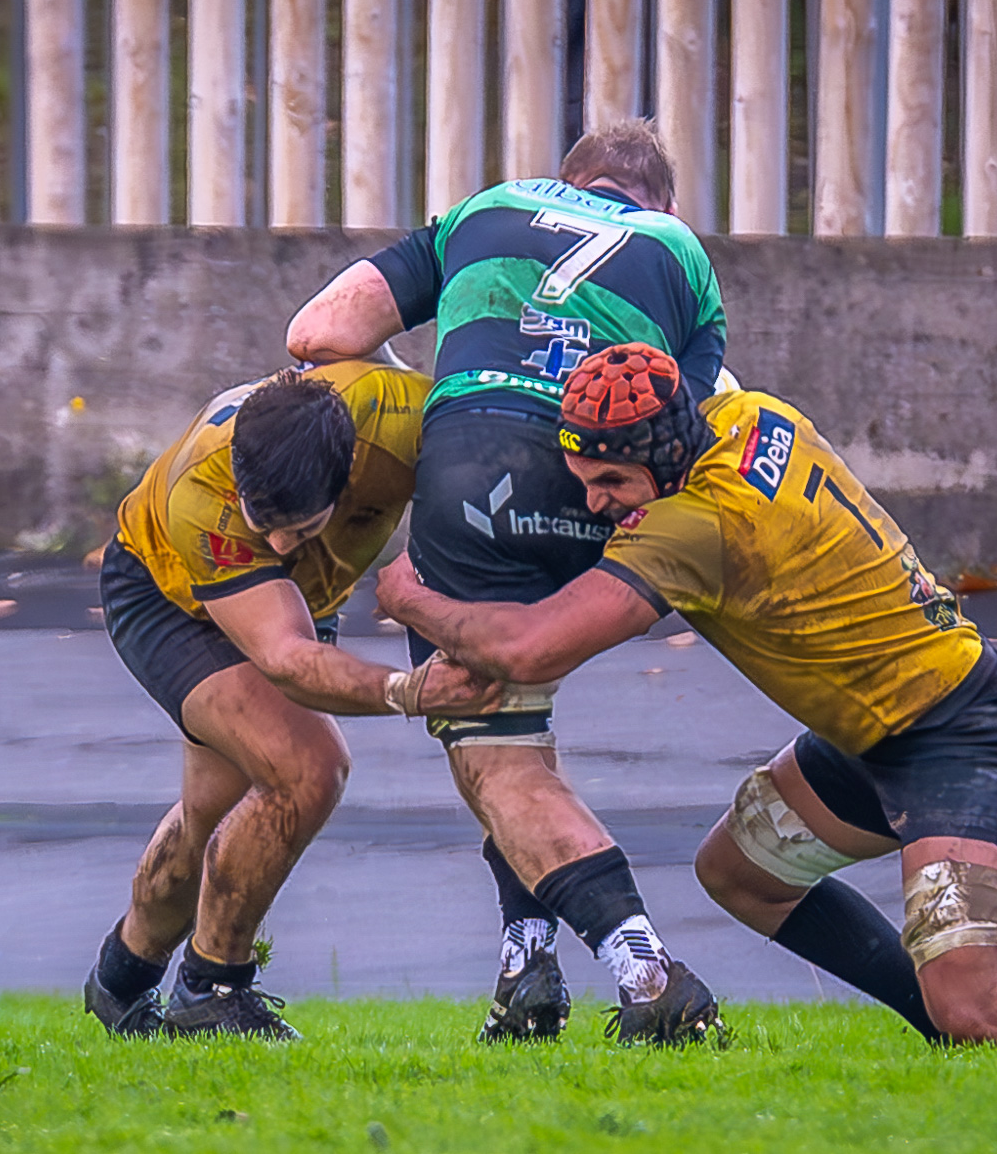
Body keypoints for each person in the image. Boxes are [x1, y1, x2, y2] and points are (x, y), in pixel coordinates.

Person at [374, 344, 997, 1054]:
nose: (597, 504)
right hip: (872, 732)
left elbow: (527, 645)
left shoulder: (692, 528)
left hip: (967, 733)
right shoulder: (754, 414)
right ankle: (932, 1024)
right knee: (740, 873)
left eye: (610, 482)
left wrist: (408, 590)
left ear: (663, 456)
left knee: (983, 1007)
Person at [286, 121, 726, 1044]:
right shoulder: (680, 250)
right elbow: (680, 419)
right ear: (665, 203)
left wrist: (444, 391)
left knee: (492, 750)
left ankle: (644, 974)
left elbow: (317, 333)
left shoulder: (487, 208)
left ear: (564, 181)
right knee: (516, 732)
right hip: (604, 482)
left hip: (472, 466)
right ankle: (526, 962)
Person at [85, 362, 500, 1040]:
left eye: (301, 527)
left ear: (350, 474)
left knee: (217, 819)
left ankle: (121, 978)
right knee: (306, 768)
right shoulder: (206, 491)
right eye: (264, 523)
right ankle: (213, 990)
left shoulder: (401, 421)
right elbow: (286, 659)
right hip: (170, 596)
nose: (278, 544)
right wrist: (406, 690)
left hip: (300, 603)